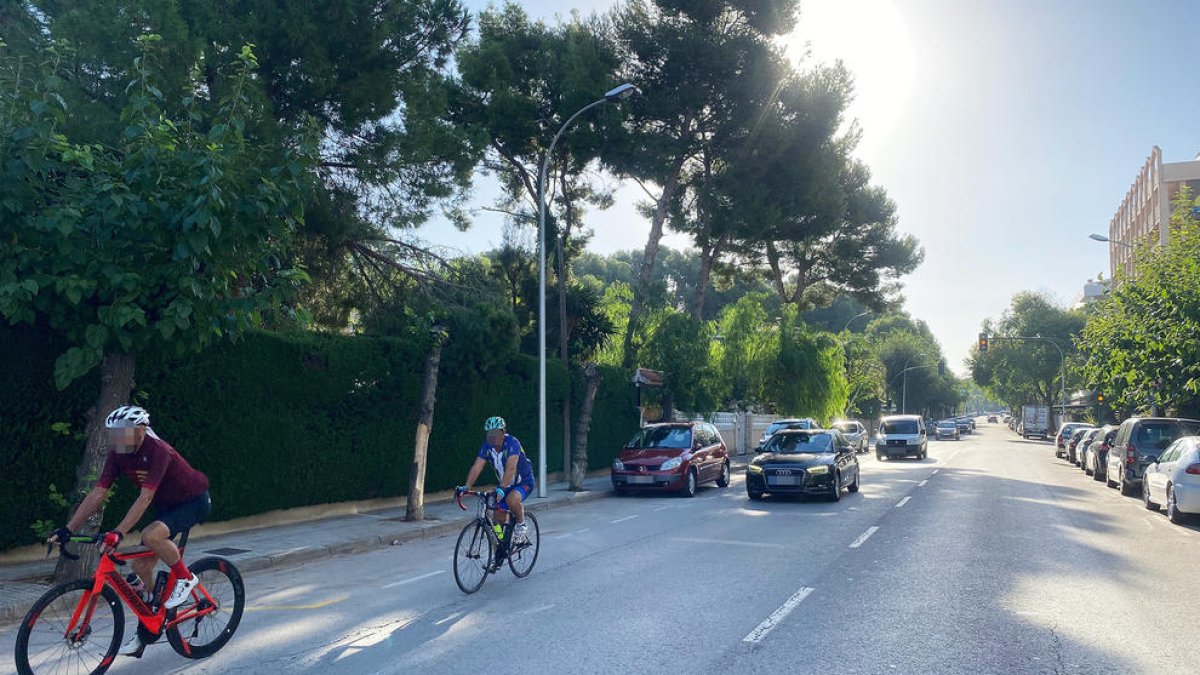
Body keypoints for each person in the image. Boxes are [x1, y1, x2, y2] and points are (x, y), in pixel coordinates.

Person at [48, 405, 211, 656]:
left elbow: (145, 498)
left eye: (122, 433)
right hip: (166, 506)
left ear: (141, 430)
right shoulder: (119, 453)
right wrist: (68, 528)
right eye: (114, 434)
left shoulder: (158, 450)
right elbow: (99, 492)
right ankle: (149, 623)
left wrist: (119, 532)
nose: (117, 439)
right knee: (140, 567)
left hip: (193, 501)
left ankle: (186, 578)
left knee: (151, 536)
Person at [459, 417, 535, 556]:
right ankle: (499, 551)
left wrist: (501, 488)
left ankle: (521, 526)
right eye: (489, 434)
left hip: (524, 481)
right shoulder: (487, 447)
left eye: (496, 433)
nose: (493, 437)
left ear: (503, 432)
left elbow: (511, 468)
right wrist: (466, 486)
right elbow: (477, 467)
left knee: (511, 500)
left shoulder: (512, 443)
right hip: (505, 484)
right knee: (497, 518)